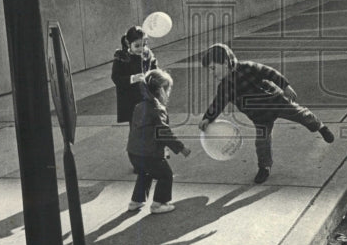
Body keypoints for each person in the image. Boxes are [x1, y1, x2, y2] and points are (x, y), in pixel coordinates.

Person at [198, 43, 335, 185]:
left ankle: (320, 127)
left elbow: (269, 72)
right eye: (209, 70)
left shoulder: (247, 67)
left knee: (301, 115)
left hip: (276, 102)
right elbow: (218, 103)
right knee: (262, 143)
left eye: (213, 68)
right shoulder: (224, 87)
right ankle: (265, 167)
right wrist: (207, 118)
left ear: (225, 63)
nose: (211, 73)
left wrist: (285, 85)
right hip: (259, 117)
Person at [126, 69, 190, 214]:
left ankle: (135, 201)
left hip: (134, 152)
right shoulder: (157, 109)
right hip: (150, 154)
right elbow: (164, 133)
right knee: (165, 175)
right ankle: (158, 204)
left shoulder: (139, 106)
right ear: (161, 91)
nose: (168, 95)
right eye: (168, 90)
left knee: (145, 173)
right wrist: (181, 148)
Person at [111, 25, 157, 123]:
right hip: (131, 99)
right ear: (128, 43)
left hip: (146, 96)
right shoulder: (122, 57)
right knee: (135, 125)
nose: (141, 49)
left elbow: (155, 70)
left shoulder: (147, 54)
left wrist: (152, 78)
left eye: (144, 45)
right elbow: (116, 77)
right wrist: (132, 78)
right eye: (137, 46)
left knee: (149, 124)